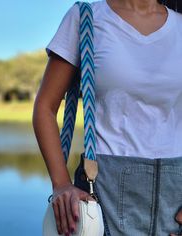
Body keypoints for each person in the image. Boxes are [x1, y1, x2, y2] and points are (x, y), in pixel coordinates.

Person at [32, 0, 182, 235]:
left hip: (175, 197)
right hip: (103, 192)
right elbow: (45, 107)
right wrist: (61, 184)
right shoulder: (86, 18)